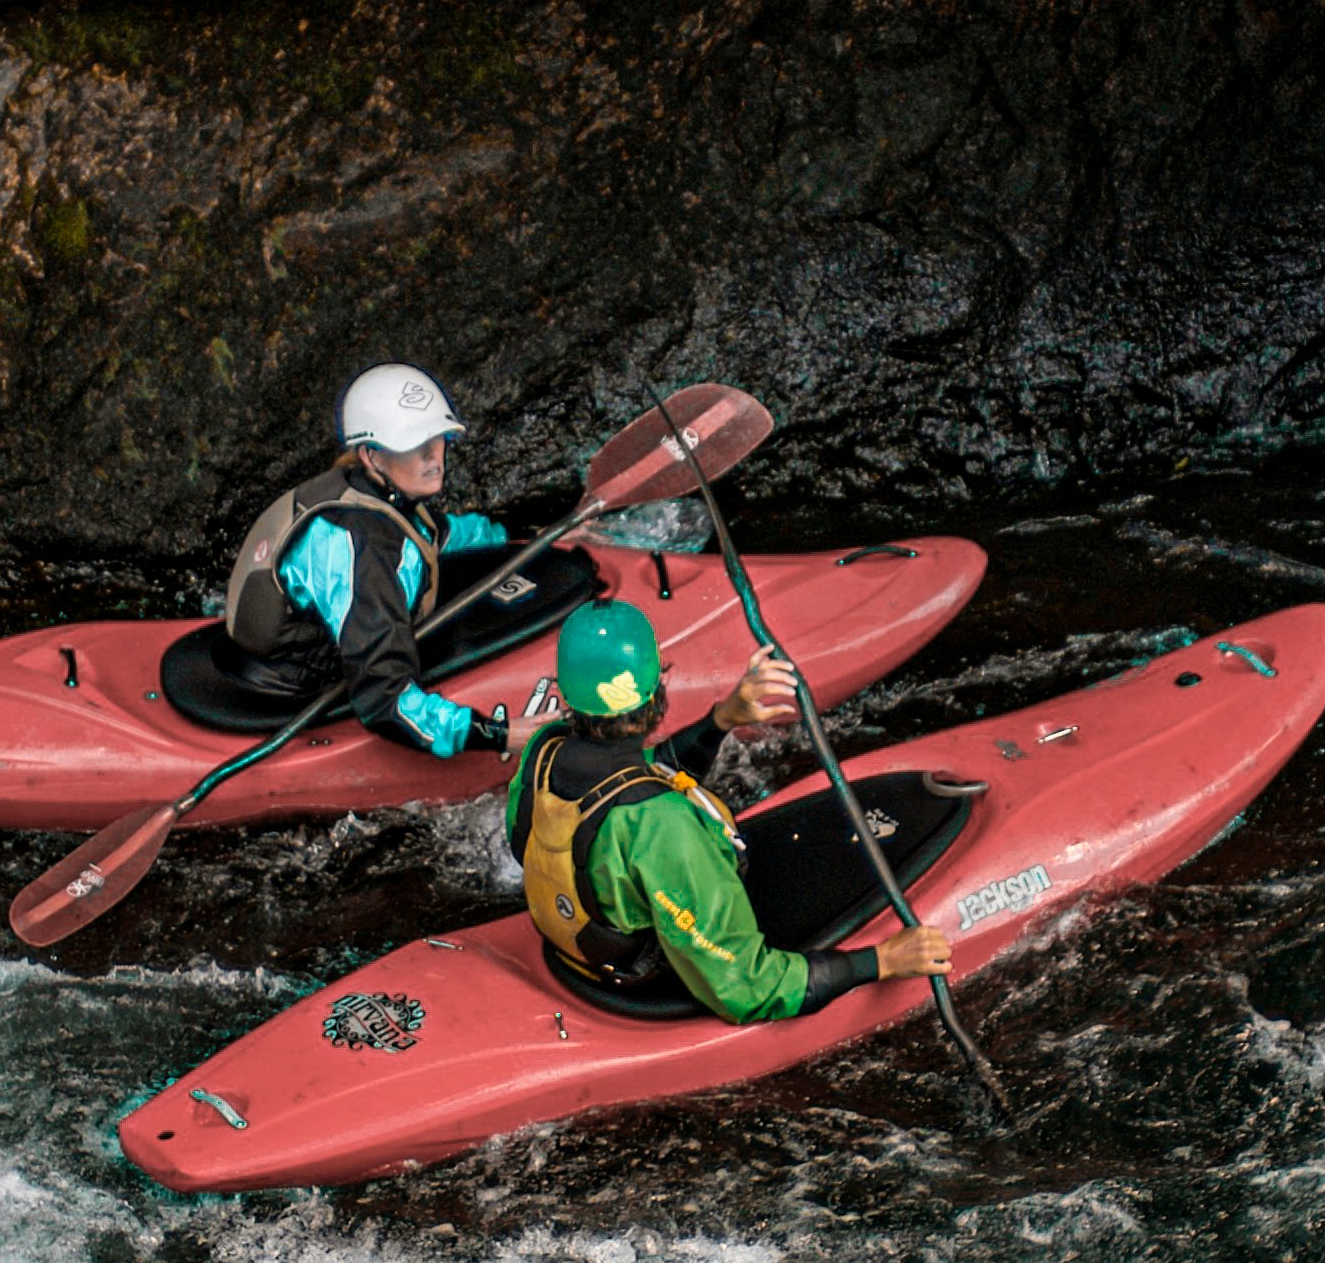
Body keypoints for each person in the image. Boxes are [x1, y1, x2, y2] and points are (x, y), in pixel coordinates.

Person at [511, 598, 953, 1022]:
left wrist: (722, 718)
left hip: (578, 949)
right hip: (648, 978)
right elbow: (745, 988)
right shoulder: (662, 824)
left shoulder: (544, 750)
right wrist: (881, 962)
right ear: (656, 690)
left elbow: (629, 779)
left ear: (568, 694)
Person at [215, 365, 538, 761]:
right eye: (412, 444)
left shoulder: (373, 493)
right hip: (295, 692)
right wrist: (499, 735)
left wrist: (532, 536)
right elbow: (386, 703)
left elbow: (442, 534)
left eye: (437, 437)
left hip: (270, 655)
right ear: (371, 455)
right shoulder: (364, 550)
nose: (433, 455)